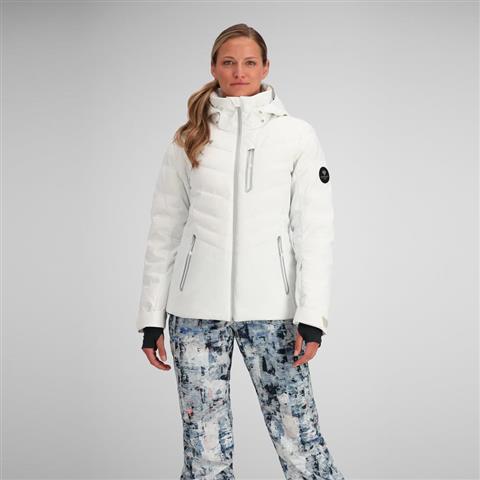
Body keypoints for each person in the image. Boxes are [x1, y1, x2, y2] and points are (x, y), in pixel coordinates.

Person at [136, 23, 346, 480]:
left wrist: (312, 314)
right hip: (194, 314)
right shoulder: (188, 137)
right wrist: (151, 318)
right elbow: (164, 231)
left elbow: (314, 232)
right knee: (204, 450)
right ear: (214, 67)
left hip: (274, 312)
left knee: (301, 442)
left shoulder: (296, 136)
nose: (239, 71)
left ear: (266, 67)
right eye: (229, 62)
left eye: (250, 62)